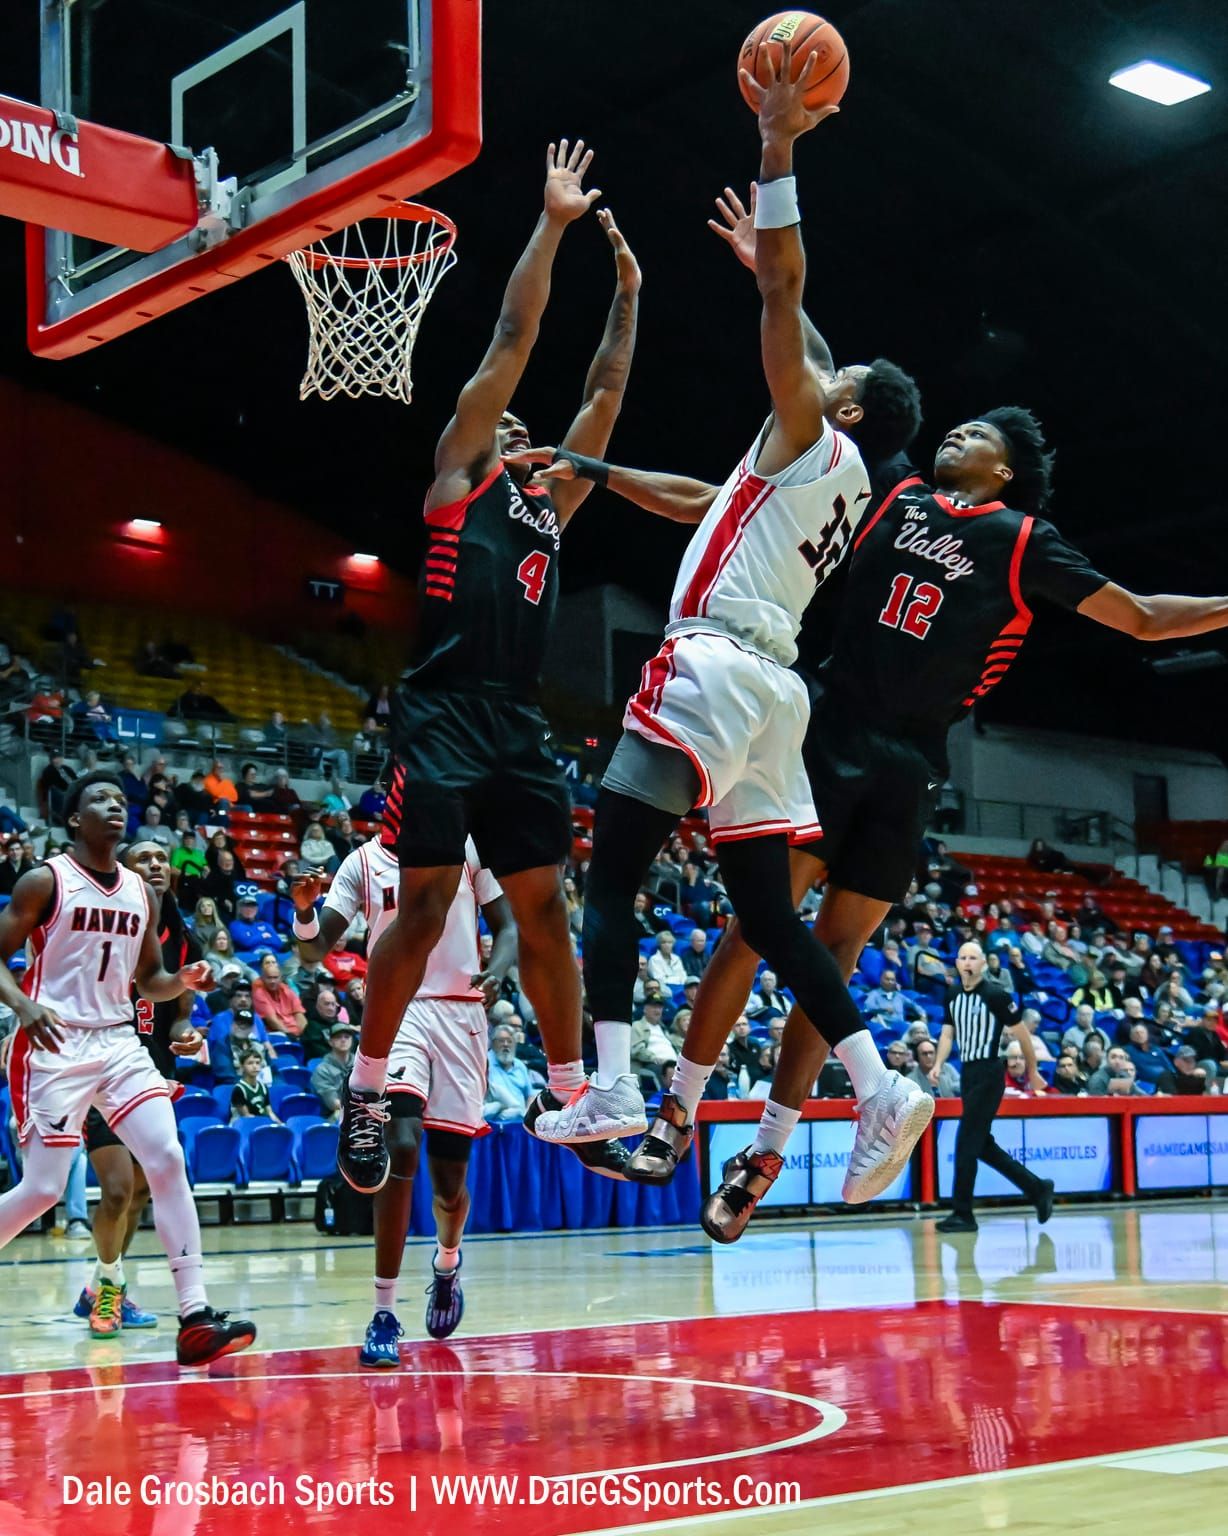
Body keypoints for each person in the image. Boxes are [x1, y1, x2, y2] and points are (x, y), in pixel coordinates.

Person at [529, 57, 933, 1202]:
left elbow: (788, 312)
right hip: (774, 699)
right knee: (763, 912)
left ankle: (609, 1083)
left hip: (712, 666)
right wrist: (594, 470)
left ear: (842, 404)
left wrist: (775, 150)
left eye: (828, 372)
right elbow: (694, 496)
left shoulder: (812, 434)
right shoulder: (832, 476)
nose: (810, 365)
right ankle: (877, 1080)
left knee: (608, 876)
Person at [337, 141, 641, 1197]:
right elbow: (514, 335)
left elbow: (602, 393)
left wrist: (630, 297)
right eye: (502, 418)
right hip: (443, 711)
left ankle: (577, 1095)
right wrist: (554, 224)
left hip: (517, 721)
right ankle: (368, 1089)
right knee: (421, 912)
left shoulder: (550, 504)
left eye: (523, 424)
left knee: (544, 909)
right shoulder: (460, 479)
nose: (517, 424)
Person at [0, 771, 254, 1364]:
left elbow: (150, 980)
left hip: (118, 1042)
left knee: (166, 1158)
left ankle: (193, 1315)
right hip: (54, 1042)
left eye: (119, 799)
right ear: (73, 820)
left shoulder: (141, 892)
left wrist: (184, 982)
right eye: (99, 799)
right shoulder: (45, 881)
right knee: (40, 1190)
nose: (115, 806)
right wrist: (23, 1003)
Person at [292, 833, 515, 1361]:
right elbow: (314, 947)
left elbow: (507, 926)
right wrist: (304, 911)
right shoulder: (362, 862)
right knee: (400, 1143)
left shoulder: (467, 849)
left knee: (449, 1188)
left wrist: (500, 969)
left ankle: (446, 1263)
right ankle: (384, 1312)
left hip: (463, 1012)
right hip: (400, 1007)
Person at [930, 944, 1054, 1232]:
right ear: (957, 963)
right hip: (968, 1073)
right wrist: (938, 1063)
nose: (967, 962)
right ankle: (1037, 1188)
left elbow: (1023, 1036)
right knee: (981, 1144)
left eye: (973, 957)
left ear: (983, 963)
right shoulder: (952, 994)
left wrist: (1033, 1072)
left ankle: (963, 1214)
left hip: (989, 1072)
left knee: (965, 1144)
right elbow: (948, 1034)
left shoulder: (996, 995)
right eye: (962, 957)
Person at [251, 954, 307, 1037]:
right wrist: (290, 1035)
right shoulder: (258, 991)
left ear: (280, 978)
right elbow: (272, 1021)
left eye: (275, 978)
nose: (272, 981)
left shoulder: (286, 989)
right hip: (279, 1034)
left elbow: (300, 1015)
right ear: (263, 977)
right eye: (269, 978)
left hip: (298, 1034)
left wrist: (303, 1034)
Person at [311, 1022, 356, 1119]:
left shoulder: (359, 1065)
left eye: (347, 1037)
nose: (343, 1040)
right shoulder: (322, 1070)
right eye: (338, 1037)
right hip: (334, 1116)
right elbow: (333, 1103)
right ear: (330, 1042)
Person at [230, 1050, 277, 1120]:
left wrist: (280, 1124)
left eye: (257, 1063)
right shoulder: (239, 1089)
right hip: (243, 1124)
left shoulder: (263, 1087)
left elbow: (270, 1113)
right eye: (250, 1063)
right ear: (242, 1066)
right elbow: (246, 1116)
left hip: (260, 1121)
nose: (255, 1066)